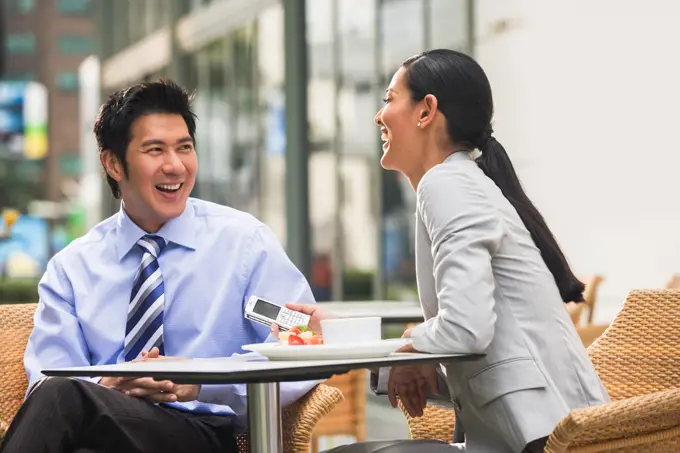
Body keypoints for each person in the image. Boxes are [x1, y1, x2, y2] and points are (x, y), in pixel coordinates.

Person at [279, 49, 610, 453]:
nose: (378, 116)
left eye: (389, 99)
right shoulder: (461, 183)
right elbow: (476, 357)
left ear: (426, 111)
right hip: (531, 435)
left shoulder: (447, 185)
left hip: (544, 440)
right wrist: (372, 344)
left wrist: (411, 343)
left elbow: (466, 328)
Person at [0, 79, 318, 453]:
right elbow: (47, 377)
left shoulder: (244, 245)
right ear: (113, 163)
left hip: (198, 432)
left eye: (184, 148)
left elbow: (300, 343)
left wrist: (197, 380)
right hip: (95, 428)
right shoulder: (72, 269)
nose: (175, 166)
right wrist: (108, 388)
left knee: (62, 398)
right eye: (155, 150)